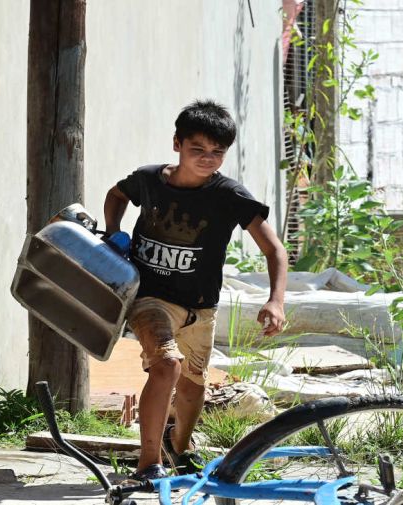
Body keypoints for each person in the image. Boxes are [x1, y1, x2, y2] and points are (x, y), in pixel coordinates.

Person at [103, 100, 288, 482]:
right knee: (167, 365)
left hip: (201, 307)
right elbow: (116, 194)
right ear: (177, 144)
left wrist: (275, 300)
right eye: (197, 149)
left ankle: (180, 447)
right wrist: (112, 231)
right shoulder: (149, 179)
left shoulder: (230, 195)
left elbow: (274, 250)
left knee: (191, 385)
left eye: (217, 152)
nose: (207, 158)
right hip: (149, 297)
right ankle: (148, 463)